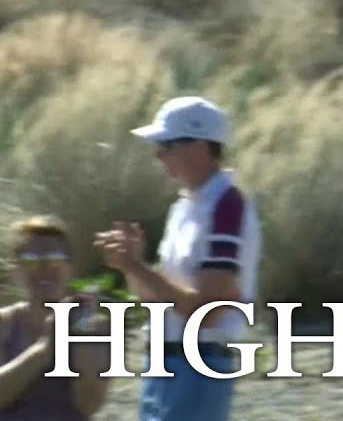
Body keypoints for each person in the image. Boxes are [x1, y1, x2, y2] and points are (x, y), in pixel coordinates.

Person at [93, 96, 262, 421]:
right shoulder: (184, 207)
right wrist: (131, 266)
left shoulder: (227, 207)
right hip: (165, 364)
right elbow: (156, 301)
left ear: (198, 148)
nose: (158, 154)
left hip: (199, 366)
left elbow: (206, 312)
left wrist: (136, 266)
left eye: (166, 145)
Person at [0, 214, 111, 420]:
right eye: (31, 261)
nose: (44, 269)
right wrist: (43, 349)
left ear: (70, 268)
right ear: (16, 270)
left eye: (54, 259)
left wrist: (80, 338)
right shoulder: (4, 324)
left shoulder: (97, 327)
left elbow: (88, 406)